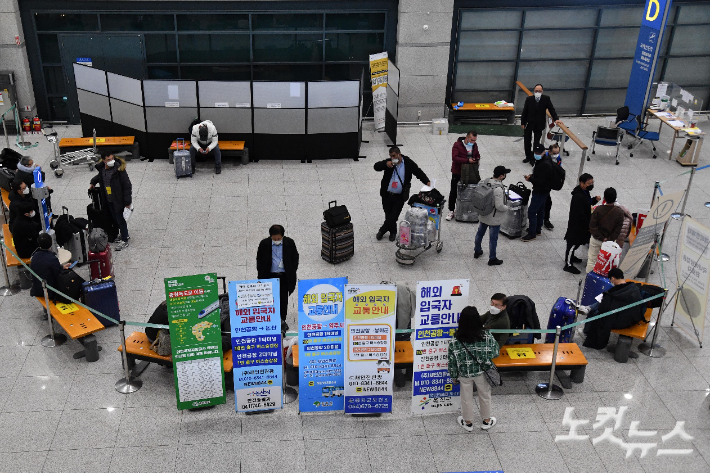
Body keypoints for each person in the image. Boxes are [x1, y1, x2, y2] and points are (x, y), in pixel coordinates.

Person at [448, 306, 500, 431]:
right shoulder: (487, 336)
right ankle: (486, 421)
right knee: (485, 395)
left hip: (464, 373)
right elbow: (495, 352)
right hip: (483, 371)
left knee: (466, 397)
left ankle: (468, 422)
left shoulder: (455, 340)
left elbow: (452, 361)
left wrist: (454, 376)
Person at [579, 268, 645, 353]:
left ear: (613, 278)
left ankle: (587, 330)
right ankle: (589, 308)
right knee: (602, 302)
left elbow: (604, 309)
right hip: (633, 316)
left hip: (622, 320)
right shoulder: (632, 287)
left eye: (610, 279)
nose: (610, 282)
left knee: (596, 313)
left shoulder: (615, 294)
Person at [373, 146, 430, 241]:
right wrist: (386, 164)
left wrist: (427, 182)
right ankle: (393, 232)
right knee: (388, 214)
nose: (392, 158)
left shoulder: (408, 162)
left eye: (394, 156)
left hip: (399, 196)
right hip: (386, 194)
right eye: (391, 156)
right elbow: (376, 166)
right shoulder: (389, 163)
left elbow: (418, 172)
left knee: (394, 215)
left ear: (399, 154)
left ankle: (382, 230)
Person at [256, 224, 299, 334]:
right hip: (269, 276)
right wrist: (261, 276)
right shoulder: (264, 244)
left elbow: (295, 257)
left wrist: (292, 269)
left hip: (284, 276)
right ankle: (272, 321)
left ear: (282, 236)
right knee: (270, 300)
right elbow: (259, 260)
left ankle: (282, 322)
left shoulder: (289, 243)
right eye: (274, 239)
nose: (276, 241)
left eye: (278, 239)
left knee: (283, 300)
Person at [89, 151, 132, 251]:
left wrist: (127, 202)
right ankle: (123, 234)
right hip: (108, 199)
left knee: (121, 220)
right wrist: (93, 182)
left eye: (112, 158)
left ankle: (125, 239)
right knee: (115, 219)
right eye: (108, 159)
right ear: (104, 160)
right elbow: (100, 177)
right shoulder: (102, 169)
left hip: (118, 200)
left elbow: (127, 186)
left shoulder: (119, 170)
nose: (111, 161)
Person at [563, 173, 601, 274]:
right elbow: (581, 213)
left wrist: (594, 200)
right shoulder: (578, 197)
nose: (591, 185)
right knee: (572, 244)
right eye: (589, 183)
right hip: (576, 226)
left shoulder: (584, 192)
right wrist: (589, 224)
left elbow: (587, 204)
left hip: (582, 225)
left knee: (577, 243)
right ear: (582, 183)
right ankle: (568, 264)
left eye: (592, 183)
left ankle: (572, 256)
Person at [474, 166, 510, 266]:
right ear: (502, 176)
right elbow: (499, 206)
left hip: (483, 213)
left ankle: (477, 251)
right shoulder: (498, 189)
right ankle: (492, 258)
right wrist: (507, 208)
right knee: (493, 238)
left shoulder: (483, 182)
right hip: (494, 218)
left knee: (480, 233)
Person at [521, 84, 562, 164]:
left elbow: (551, 109)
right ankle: (528, 156)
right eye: (536, 91)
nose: (538, 92)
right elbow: (525, 111)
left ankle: (534, 157)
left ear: (542, 91)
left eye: (539, 91)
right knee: (527, 140)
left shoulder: (546, 99)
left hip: (539, 124)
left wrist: (556, 119)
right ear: (534, 91)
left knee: (536, 142)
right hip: (529, 123)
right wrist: (523, 122)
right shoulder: (529, 99)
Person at [586, 187, 625, 273]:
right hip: (610, 242)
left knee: (592, 260)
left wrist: (600, 237)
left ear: (604, 198)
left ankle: (590, 278)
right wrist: (609, 238)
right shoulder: (619, 213)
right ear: (615, 198)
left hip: (596, 239)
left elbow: (592, 226)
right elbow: (618, 229)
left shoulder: (598, 210)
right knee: (607, 262)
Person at [521, 144, 554, 242]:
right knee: (540, 209)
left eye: (539, 153)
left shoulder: (545, 164)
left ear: (544, 152)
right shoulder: (544, 160)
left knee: (531, 212)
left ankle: (532, 233)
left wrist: (531, 179)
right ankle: (537, 229)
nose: (537, 154)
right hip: (544, 190)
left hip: (540, 191)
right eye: (536, 153)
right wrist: (533, 176)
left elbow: (540, 181)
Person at [446, 131, 480, 221]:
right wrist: (467, 160)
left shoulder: (474, 145)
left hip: (469, 172)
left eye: (475, 140)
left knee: (468, 190)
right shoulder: (457, 145)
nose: (473, 142)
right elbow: (455, 158)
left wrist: (476, 159)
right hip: (457, 171)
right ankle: (451, 210)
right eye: (472, 140)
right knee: (454, 191)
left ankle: (463, 209)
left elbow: (477, 155)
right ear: (467, 138)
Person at [30, 233, 72, 301]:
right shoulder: (52, 258)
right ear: (51, 243)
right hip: (49, 291)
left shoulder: (34, 256)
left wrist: (61, 267)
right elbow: (58, 274)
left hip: (37, 289)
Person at [542, 143, 562, 231]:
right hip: (542, 184)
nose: (556, 155)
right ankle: (544, 220)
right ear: (549, 152)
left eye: (557, 153)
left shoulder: (558, 158)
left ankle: (545, 219)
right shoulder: (543, 158)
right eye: (554, 153)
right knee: (545, 202)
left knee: (547, 202)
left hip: (549, 183)